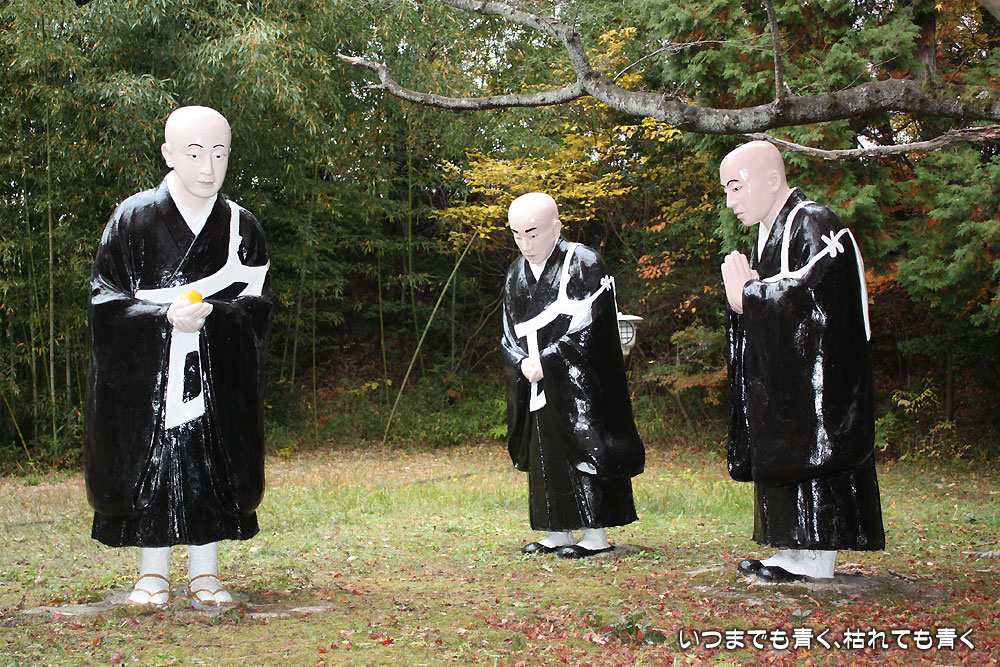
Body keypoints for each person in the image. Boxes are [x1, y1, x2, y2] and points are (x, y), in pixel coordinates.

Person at [84, 106, 272, 607]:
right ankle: (153, 573)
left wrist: (216, 317)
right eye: (194, 153)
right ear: (169, 154)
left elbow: (258, 306)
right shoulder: (132, 219)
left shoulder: (241, 226)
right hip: (151, 379)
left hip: (213, 377)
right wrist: (161, 318)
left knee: (208, 463)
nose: (208, 168)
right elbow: (104, 301)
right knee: (156, 466)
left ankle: (205, 572)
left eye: (219, 154)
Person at [719, 140, 884, 582]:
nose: (731, 201)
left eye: (736, 187)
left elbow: (815, 296)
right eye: (726, 190)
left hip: (821, 381)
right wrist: (746, 301)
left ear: (773, 179)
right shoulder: (768, 234)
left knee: (815, 450)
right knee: (783, 444)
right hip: (785, 380)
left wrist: (750, 296)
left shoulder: (815, 223)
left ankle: (816, 556)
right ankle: (791, 546)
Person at [500, 192, 645, 559]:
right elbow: (508, 330)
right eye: (517, 235)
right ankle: (557, 529)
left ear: (556, 227)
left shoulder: (582, 262)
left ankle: (595, 534)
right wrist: (520, 361)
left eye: (533, 233)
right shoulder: (516, 273)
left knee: (585, 445)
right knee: (544, 451)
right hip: (535, 383)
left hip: (579, 380)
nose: (525, 245)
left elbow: (592, 324)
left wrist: (549, 360)